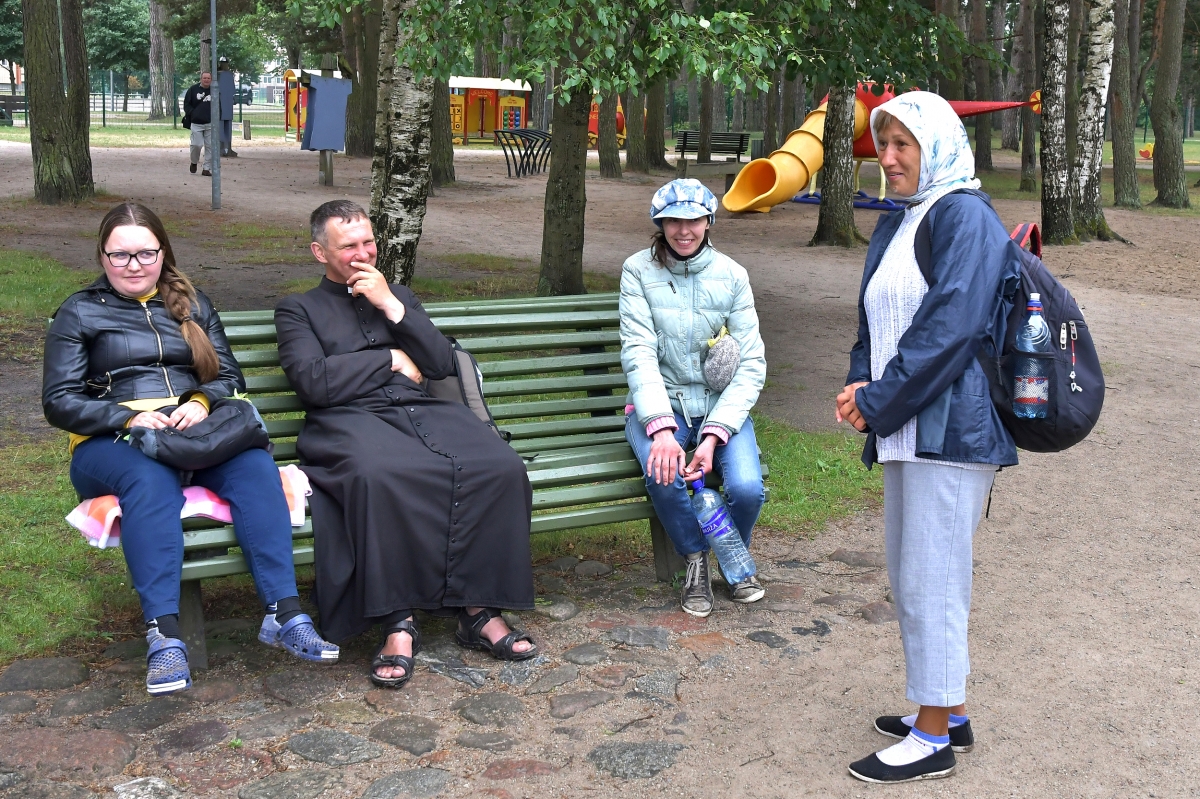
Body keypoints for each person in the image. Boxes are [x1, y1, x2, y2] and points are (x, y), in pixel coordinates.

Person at [43, 202, 339, 697]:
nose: (133, 265)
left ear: (163, 253)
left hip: (192, 432)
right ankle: (164, 636)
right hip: (110, 441)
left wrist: (200, 402)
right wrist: (126, 416)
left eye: (145, 253)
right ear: (102, 256)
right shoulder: (80, 311)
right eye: (120, 255)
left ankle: (284, 613)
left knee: (254, 466)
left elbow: (228, 376)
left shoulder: (193, 304)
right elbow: (59, 401)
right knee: (149, 479)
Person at [275, 200, 538, 690]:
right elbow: (314, 381)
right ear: (319, 252)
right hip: (347, 421)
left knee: (499, 466)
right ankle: (398, 621)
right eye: (348, 246)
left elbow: (438, 363)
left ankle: (479, 611)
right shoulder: (298, 309)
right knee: (382, 476)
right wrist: (392, 359)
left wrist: (392, 308)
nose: (362, 254)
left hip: (422, 411)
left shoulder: (399, 297)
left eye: (368, 243)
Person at [836, 92, 1020, 783]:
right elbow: (874, 319)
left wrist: (878, 399)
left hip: (952, 430)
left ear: (935, 147)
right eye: (882, 144)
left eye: (902, 145)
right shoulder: (903, 218)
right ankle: (950, 710)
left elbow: (950, 328)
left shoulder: (964, 214)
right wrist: (861, 384)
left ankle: (933, 738)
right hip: (908, 426)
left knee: (933, 578)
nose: (887, 158)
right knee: (912, 571)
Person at [621, 179, 767, 618]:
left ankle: (726, 551)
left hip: (718, 408)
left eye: (694, 220)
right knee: (662, 473)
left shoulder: (733, 276)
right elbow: (639, 352)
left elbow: (751, 364)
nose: (683, 230)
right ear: (660, 222)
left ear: (708, 221)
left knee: (747, 488)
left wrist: (713, 436)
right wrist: (662, 430)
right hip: (660, 404)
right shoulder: (637, 271)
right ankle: (696, 559)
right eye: (673, 221)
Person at [183, 72, 214, 176]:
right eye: (204, 78)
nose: (206, 80)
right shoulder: (193, 89)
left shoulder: (214, 90)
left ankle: (206, 168)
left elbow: (218, 105)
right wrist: (193, 113)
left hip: (210, 123)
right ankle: (194, 162)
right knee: (196, 144)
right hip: (196, 123)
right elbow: (187, 104)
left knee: (210, 146)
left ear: (211, 79)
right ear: (201, 79)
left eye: (208, 78)